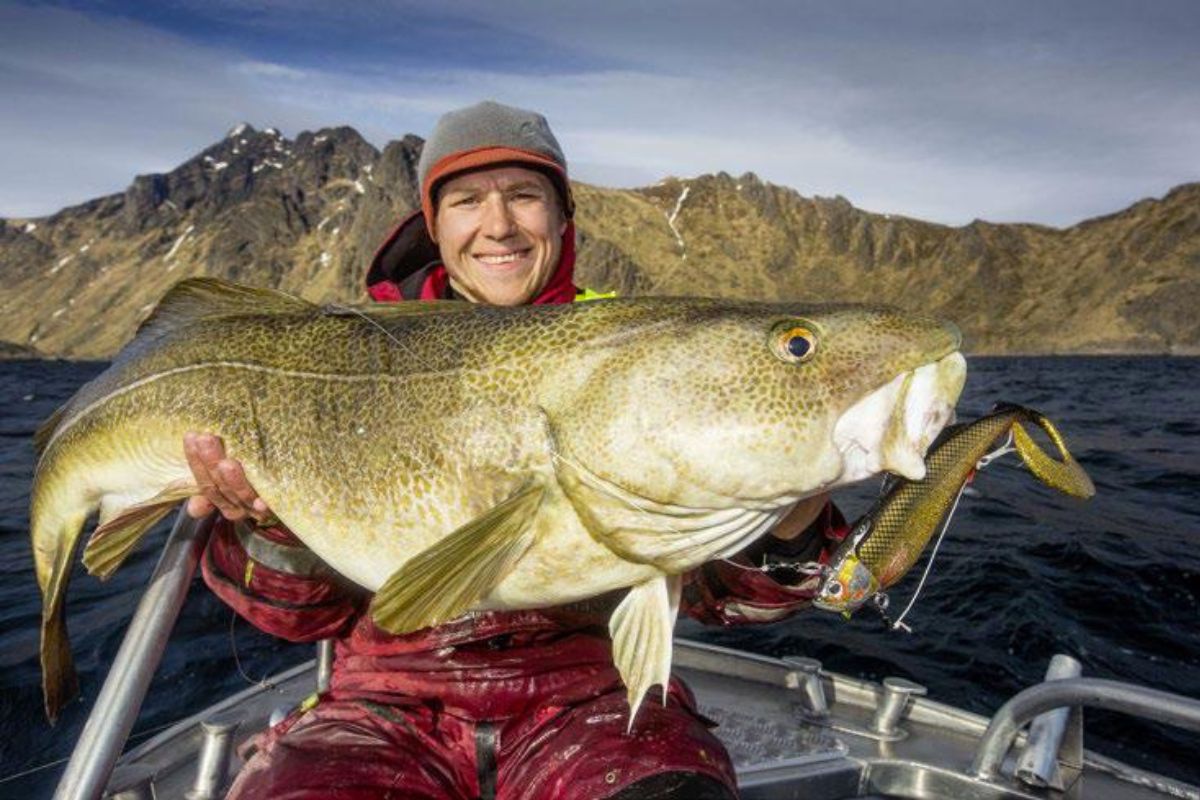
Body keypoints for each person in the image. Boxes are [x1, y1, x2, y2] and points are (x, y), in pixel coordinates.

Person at [185, 101, 847, 800]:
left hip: (595, 702)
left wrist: (791, 521)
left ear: (563, 217)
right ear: (432, 224)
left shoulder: (646, 359)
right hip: (381, 711)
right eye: (467, 200)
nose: (498, 225)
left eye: (525, 196)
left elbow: (726, 603)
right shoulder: (334, 359)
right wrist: (265, 520)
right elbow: (297, 618)